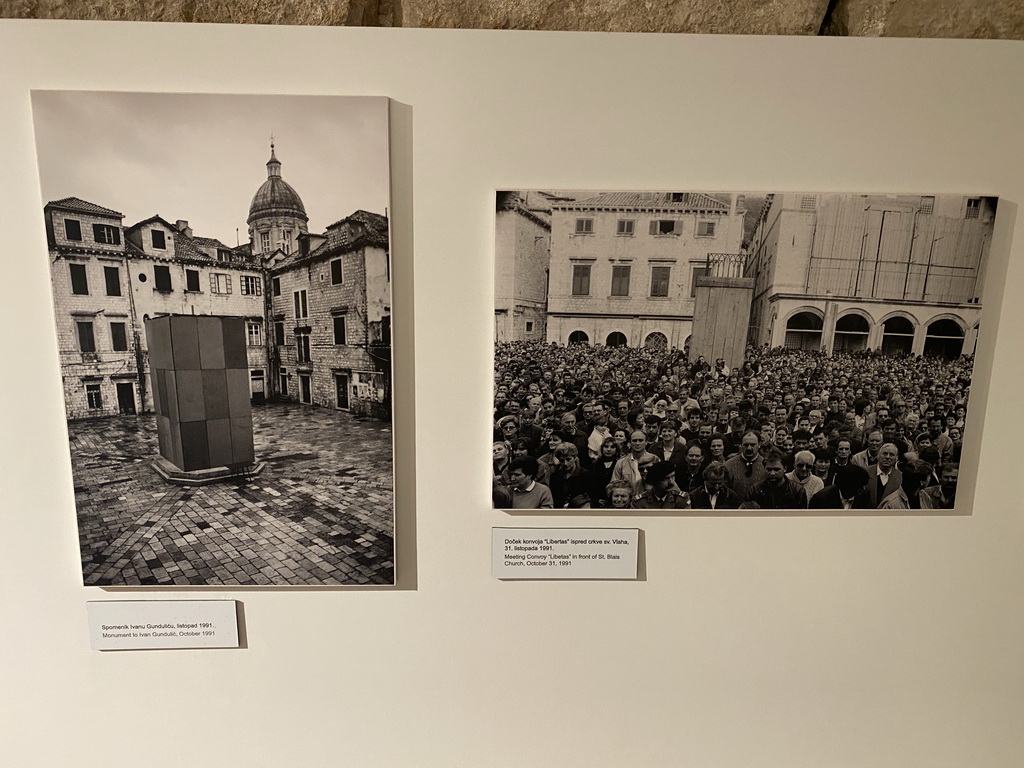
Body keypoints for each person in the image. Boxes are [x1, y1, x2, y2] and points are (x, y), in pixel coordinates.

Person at [611, 430, 658, 498]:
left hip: (650, 499)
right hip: (629, 501)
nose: (637, 443)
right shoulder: (621, 462)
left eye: (640, 440)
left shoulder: (654, 460)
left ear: (646, 442)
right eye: (634, 440)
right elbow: (614, 485)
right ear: (630, 443)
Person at [723, 430, 766, 503]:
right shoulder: (728, 466)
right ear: (740, 445)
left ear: (759, 445)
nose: (749, 448)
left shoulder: (767, 466)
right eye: (746, 445)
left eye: (753, 445)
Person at [863, 442, 904, 509]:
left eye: (891, 455)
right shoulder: (865, 472)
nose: (888, 457)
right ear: (878, 456)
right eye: (885, 454)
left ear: (896, 458)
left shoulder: (900, 477)